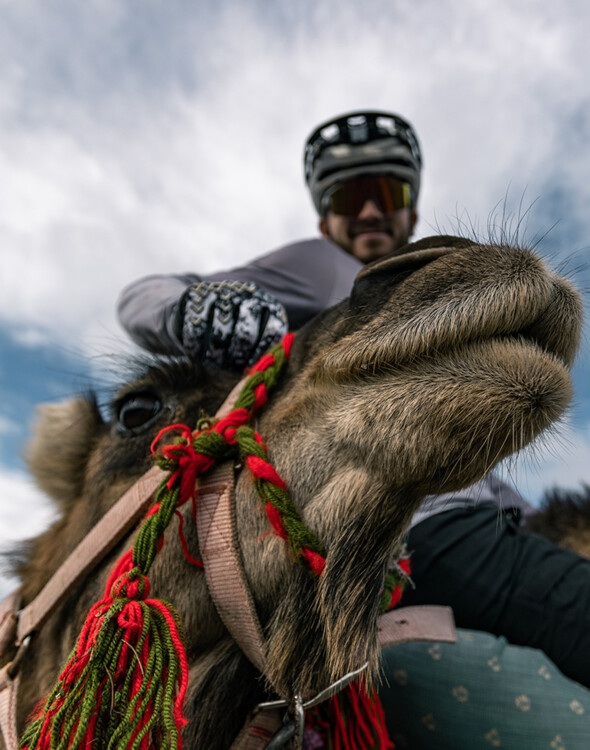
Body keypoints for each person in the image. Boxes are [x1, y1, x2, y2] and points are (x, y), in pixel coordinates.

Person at [118, 111, 590, 746]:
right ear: (325, 221)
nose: (369, 211)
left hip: (471, 518)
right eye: (350, 197)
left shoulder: (420, 290)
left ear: (410, 212)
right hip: (416, 522)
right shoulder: (317, 266)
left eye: (387, 194)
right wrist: (197, 308)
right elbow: (143, 296)